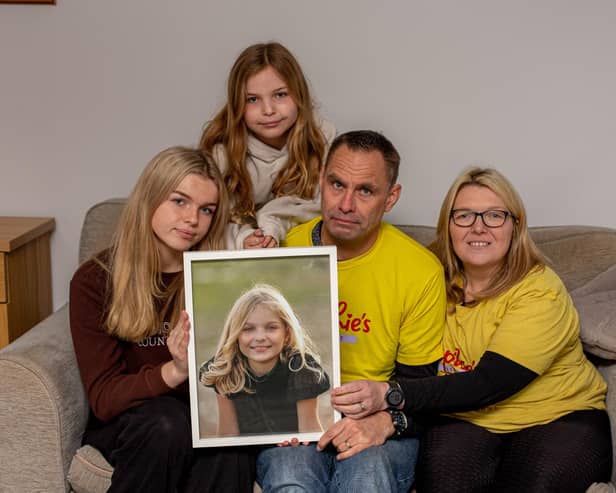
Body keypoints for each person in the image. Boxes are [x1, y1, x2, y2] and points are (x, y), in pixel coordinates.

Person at [383, 167, 611, 491]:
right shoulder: (424, 279)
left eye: (494, 215)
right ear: (447, 226)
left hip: (557, 415)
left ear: (515, 225)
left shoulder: (540, 291)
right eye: (464, 215)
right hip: (464, 418)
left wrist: (391, 395)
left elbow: (489, 383)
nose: (478, 227)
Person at [256, 130, 447, 493]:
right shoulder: (287, 246)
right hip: (297, 421)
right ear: (320, 182)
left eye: (365, 191)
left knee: (367, 479)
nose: (345, 204)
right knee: (289, 478)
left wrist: (383, 422)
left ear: (391, 198)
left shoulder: (420, 271)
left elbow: (423, 392)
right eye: (337, 184)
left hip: (378, 424)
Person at [69, 147, 256, 493]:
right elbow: (105, 398)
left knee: (229, 446)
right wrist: (174, 371)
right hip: (133, 420)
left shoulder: (219, 276)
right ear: (150, 198)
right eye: (179, 201)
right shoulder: (95, 280)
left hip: (199, 414)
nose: (192, 219)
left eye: (206, 210)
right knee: (167, 422)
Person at [199, 41, 336, 250]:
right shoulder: (222, 152)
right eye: (252, 99)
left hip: (302, 252)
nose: (268, 110)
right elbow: (206, 222)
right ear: (237, 104)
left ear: (299, 93)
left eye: (280, 94)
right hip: (239, 255)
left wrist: (272, 218)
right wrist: (243, 238)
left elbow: (327, 207)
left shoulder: (321, 138)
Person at [200, 283, 330, 435]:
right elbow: (227, 433)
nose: (260, 337)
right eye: (248, 329)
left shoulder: (300, 369)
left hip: (289, 449)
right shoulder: (225, 369)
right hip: (245, 451)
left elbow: (309, 429)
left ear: (286, 334)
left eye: (271, 327)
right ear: (235, 335)